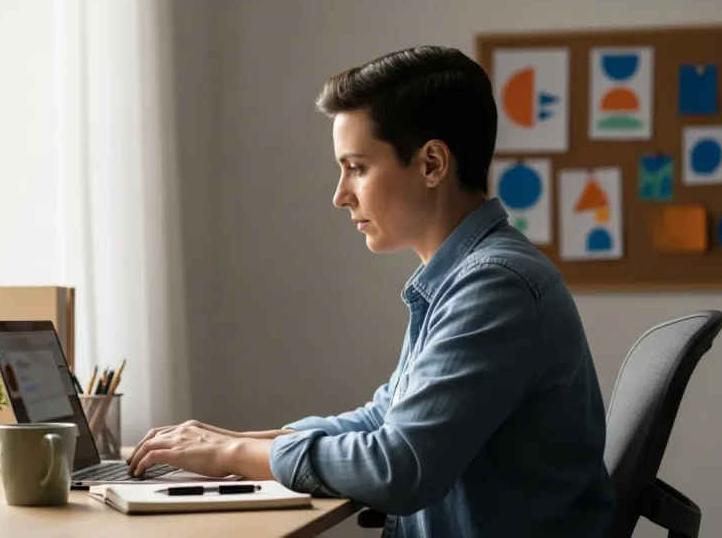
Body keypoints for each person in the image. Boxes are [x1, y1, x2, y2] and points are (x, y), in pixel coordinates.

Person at [127, 45, 616, 537]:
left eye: (357, 167)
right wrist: (235, 443)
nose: (340, 194)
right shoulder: (466, 277)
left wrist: (234, 454)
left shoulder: (493, 286)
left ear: (431, 164)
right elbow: (386, 418)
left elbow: (398, 465)